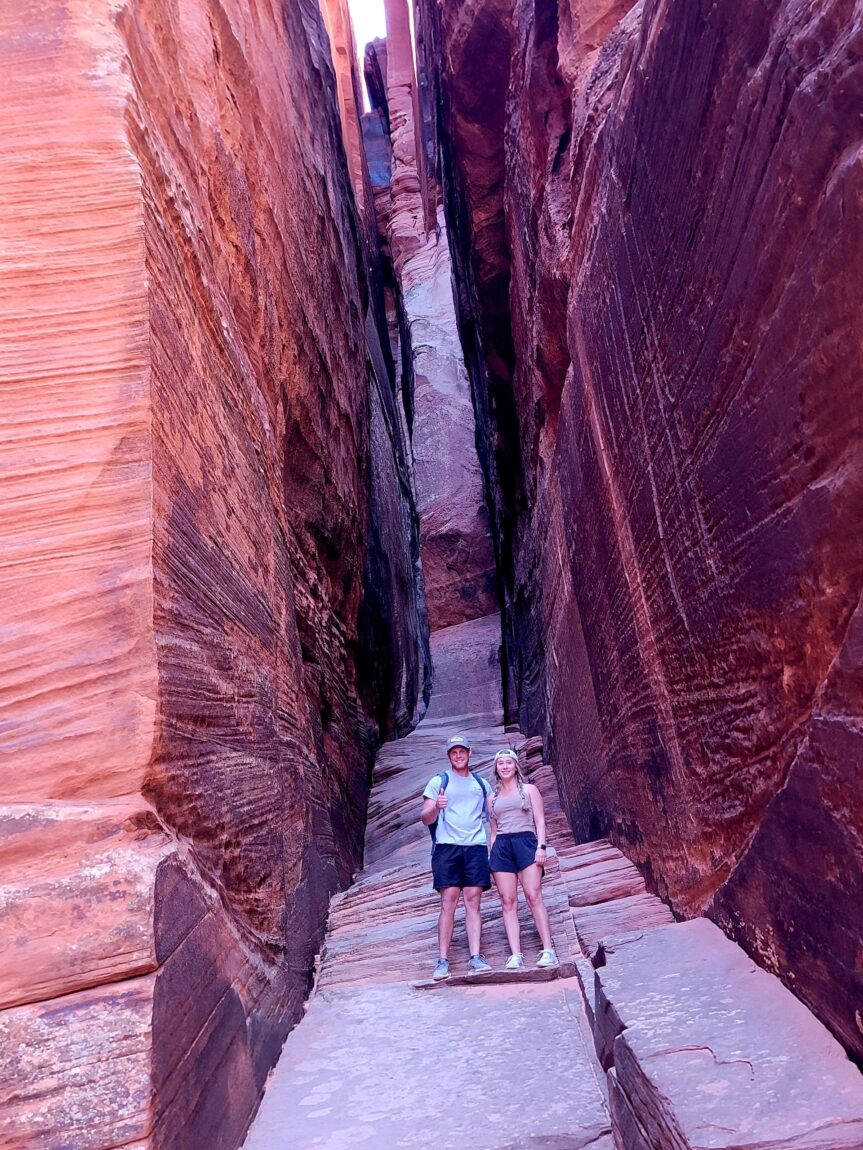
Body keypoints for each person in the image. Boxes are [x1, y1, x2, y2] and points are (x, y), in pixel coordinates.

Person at [420, 734, 494, 981]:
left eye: (462, 751)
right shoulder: (438, 782)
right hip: (447, 848)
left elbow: (492, 816)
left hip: (475, 847)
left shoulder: (481, 784)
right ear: (449, 756)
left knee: (473, 902)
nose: (459, 755)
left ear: (470, 753)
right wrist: (436, 807)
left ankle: (475, 957)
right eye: (454, 752)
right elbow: (425, 818)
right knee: (448, 902)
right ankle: (442, 961)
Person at [488, 748, 558, 970]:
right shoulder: (492, 797)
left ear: (515, 766)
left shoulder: (529, 790)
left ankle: (548, 950)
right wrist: (491, 856)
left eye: (509, 762)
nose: (505, 766)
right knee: (507, 901)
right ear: (496, 768)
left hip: (526, 842)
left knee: (533, 895)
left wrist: (541, 847)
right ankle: (515, 954)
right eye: (501, 763)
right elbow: (493, 830)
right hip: (502, 847)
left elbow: (540, 820)